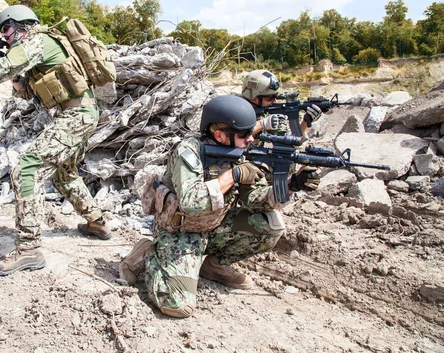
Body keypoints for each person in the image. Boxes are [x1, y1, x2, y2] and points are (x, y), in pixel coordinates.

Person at [118, 95, 321, 318]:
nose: (251, 139)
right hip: (180, 231)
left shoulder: (242, 153)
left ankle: (214, 266)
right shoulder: (189, 151)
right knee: (177, 306)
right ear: (219, 135)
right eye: (245, 134)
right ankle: (147, 252)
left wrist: (292, 185)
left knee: (271, 224)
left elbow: (255, 199)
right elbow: (190, 203)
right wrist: (233, 175)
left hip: (214, 227)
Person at [0, 5, 111, 276]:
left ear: (21, 25)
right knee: (64, 173)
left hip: (75, 116)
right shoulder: (43, 43)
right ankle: (97, 222)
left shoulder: (37, 40)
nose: (4, 37)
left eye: (6, 29)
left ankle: (29, 249)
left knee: (27, 169)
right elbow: (28, 93)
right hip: (81, 113)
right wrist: (14, 74)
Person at [241, 69, 322, 137]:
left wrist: (306, 121)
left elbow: (292, 142)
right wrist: (262, 124)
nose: (275, 101)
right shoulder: (233, 108)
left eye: (276, 96)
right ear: (254, 98)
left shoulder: (267, 113)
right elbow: (232, 137)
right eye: (270, 98)